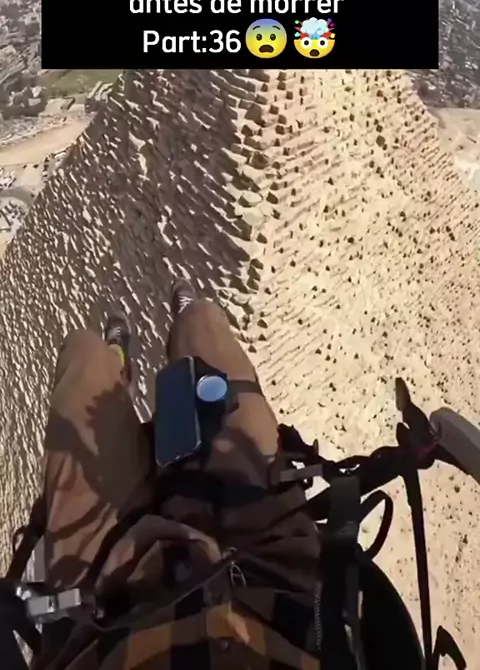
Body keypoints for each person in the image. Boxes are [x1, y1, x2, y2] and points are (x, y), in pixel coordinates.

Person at [36, 279, 322, 669]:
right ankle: (186, 322)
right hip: (269, 563)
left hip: (102, 610)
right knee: (203, 327)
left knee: (84, 356)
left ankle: (115, 362)